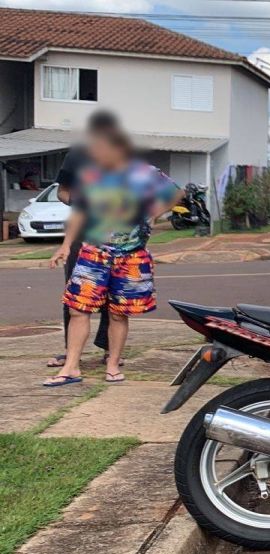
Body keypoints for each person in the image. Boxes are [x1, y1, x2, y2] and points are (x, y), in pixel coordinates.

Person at [43, 124, 183, 387]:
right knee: (78, 309)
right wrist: (65, 245)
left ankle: (112, 364)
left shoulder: (147, 173)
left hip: (131, 254)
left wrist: (155, 214)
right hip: (93, 251)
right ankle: (71, 367)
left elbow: (177, 192)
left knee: (119, 313)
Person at [47, 111, 124, 369]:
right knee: (75, 294)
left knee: (113, 296)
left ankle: (110, 350)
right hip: (82, 236)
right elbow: (62, 192)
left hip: (117, 237)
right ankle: (71, 352)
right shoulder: (76, 157)